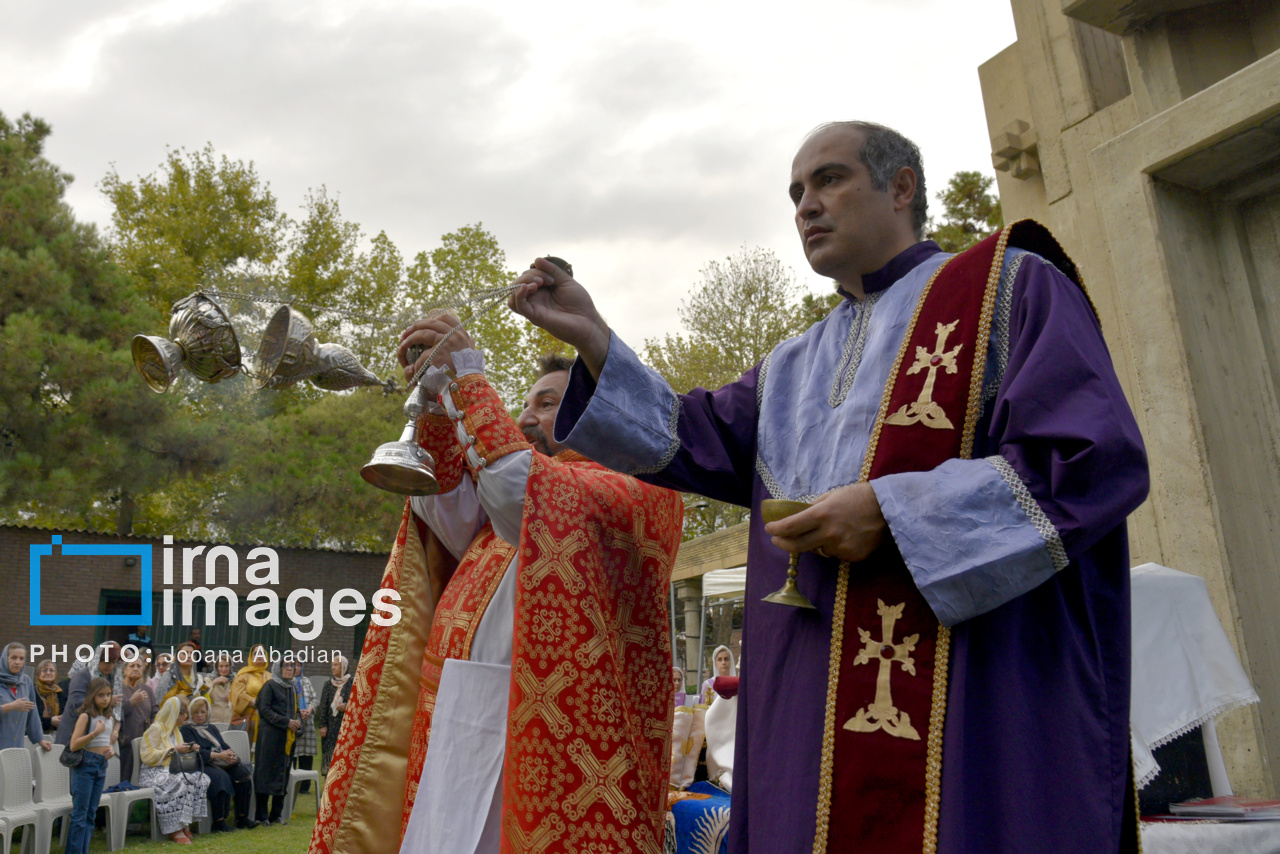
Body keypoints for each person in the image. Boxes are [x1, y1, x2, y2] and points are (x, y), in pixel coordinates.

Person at [510, 121, 1150, 853]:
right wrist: (593, 335)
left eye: (830, 180)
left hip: (966, 696)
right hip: (810, 712)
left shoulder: (1010, 285)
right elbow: (688, 437)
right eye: (795, 193)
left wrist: (895, 511)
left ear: (901, 186)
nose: (805, 205)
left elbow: (1089, 458)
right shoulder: (792, 365)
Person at [310, 343, 683, 854]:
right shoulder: (519, 504)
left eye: (546, 404)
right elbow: (440, 509)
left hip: (544, 741)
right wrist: (441, 404)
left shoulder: (639, 490)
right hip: (456, 720)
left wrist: (467, 377)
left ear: (603, 410)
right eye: (526, 404)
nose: (526, 417)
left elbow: (514, 489)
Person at [140, 696, 210, 844]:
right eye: (184, 715)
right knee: (180, 782)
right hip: (153, 772)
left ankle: (185, 822)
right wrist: (172, 750)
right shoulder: (156, 728)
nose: (186, 717)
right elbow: (147, 756)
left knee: (201, 778)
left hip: (172, 770)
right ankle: (175, 829)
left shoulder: (176, 730)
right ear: (176, 714)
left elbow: (178, 752)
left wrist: (188, 748)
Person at [182, 696, 257, 831]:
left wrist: (230, 755)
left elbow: (223, 745)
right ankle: (219, 821)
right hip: (200, 764)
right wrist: (219, 756)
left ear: (208, 713)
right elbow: (197, 752)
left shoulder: (211, 728)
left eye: (203, 712)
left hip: (219, 761)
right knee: (220, 777)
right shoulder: (186, 730)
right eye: (196, 712)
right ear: (191, 714)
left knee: (242, 774)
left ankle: (242, 817)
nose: (199, 715)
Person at [66, 677, 118, 853]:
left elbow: (107, 742)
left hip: (101, 765)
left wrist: (110, 750)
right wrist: (95, 733)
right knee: (80, 814)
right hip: (85, 766)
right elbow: (74, 744)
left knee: (91, 814)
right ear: (92, 696)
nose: (105, 698)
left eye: (108, 695)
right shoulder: (86, 716)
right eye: (101, 695)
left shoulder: (109, 718)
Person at [254, 659, 299, 826]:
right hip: (269, 738)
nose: (289, 669)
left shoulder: (292, 687)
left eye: (292, 666)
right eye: (285, 666)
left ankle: (276, 815)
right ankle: (262, 816)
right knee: (265, 774)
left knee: (283, 774)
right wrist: (285, 721)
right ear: (278, 668)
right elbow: (264, 709)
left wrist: (297, 722)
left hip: (286, 739)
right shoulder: (270, 686)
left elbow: (296, 711)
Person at [56, 643, 122, 747]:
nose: (110, 666)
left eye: (114, 663)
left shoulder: (110, 678)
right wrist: (104, 700)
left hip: (95, 738)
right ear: (97, 659)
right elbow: (75, 702)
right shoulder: (83, 675)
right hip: (72, 733)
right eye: (107, 662)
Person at [1, 642, 53, 750]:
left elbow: (33, 713)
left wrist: (40, 739)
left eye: (21, 658)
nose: (17, 662)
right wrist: (11, 706)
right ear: (5, 659)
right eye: (13, 658)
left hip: (16, 748)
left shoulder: (26, 681)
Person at [119, 657, 158, 784]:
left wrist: (154, 724)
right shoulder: (118, 688)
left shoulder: (146, 689)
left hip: (145, 738)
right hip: (125, 739)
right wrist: (131, 702)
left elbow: (155, 710)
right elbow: (113, 712)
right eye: (132, 666)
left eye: (139, 666)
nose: (136, 668)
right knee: (124, 773)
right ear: (124, 669)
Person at [315, 655, 350, 775]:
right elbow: (323, 706)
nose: (333, 667)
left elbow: (357, 703)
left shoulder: (352, 683)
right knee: (329, 754)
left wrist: (347, 707)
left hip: (346, 726)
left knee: (344, 755)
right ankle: (327, 785)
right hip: (330, 726)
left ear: (344, 667)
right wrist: (322, 725)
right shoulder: (328, 684)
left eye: (336, 665)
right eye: (332, 665)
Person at [230, 644, 270, 745]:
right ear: (251, 657)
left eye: (262, 653)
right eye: (255, 653)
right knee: (246, 750)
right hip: (248, 720)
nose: (259, 655)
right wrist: (254, 702)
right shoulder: (243, 674)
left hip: (267, 720)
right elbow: (237, 694)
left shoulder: (270, 676)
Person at [292, 663, 318, 792]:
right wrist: (298, 711)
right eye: (293, 665)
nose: (296, 668)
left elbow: (314, 699)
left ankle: (304, 787)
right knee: (292, 755)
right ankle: (291, 785)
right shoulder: (287, 681)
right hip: (293, 723)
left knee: (306, 756)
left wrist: (309, 709)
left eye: (298, 665)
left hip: (307, 723)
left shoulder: (306, 681)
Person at [33, 659, 63, 736]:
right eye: (45, 670)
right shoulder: (32, 691)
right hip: (36, 736)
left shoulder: (60, 692)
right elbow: (30, 718)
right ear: (38, 674)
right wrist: (50, 721)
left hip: (56, 737)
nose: (48, 673)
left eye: (51, 670)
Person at [207, 658, 235, 725]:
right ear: (216, 667)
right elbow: (203, 696)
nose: (224, 669)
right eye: (221, 666)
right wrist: (214, 683)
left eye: (227, 666)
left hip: (230, 720)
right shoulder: (208, 680)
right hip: (213, 720)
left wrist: (231, 700)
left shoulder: (235, 680)